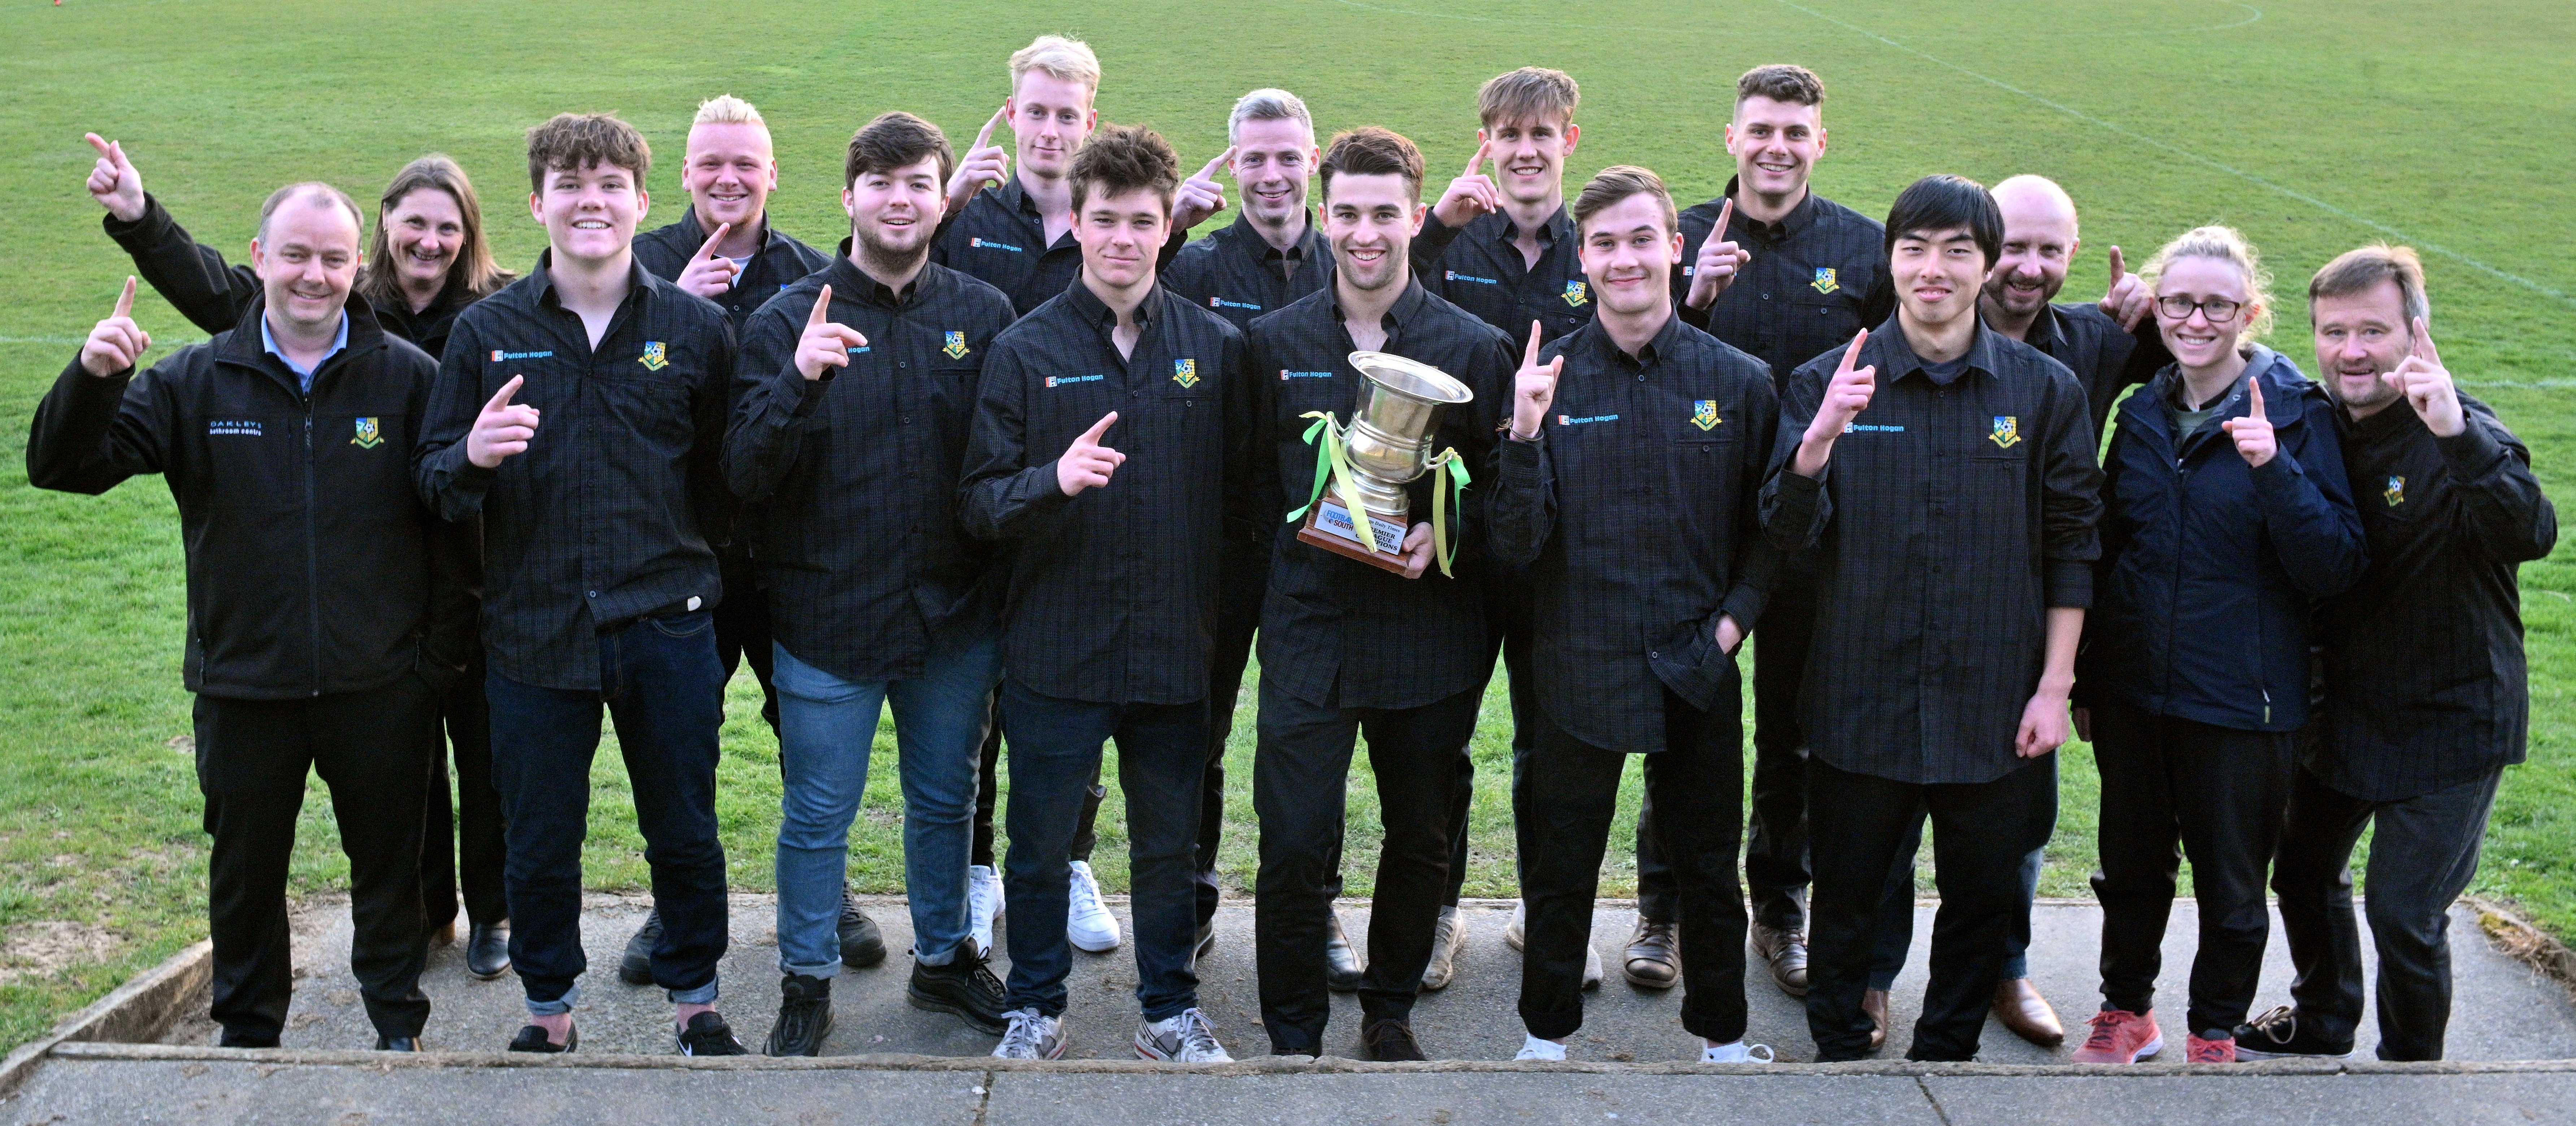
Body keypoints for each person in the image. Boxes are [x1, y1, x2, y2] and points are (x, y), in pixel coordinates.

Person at [29, 183, 473, 1051]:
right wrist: (91, 378)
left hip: (380, 686)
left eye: (334, 258)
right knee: (245, 876)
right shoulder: (195, 380)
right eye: (297, 255)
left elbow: (457, 530)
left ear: (358, 265)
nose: (315, 275)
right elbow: (62, 466)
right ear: (261, 258)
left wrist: (434, 665)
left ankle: (396, 1024)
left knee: (390, 872)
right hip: (242, 687)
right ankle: (249, 1036)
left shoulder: (410, 380)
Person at [416, 112, 746, 1056]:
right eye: (569, 184)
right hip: (534, 628)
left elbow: (725, 481)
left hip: (666, 625)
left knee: (682, 825)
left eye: (608, 184)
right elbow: (434, 483)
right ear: (537, 203)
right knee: (540, 836)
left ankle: (695, 996)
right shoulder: (487, 331)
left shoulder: (695, 329)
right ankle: (548, 1004)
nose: (589, 200)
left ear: (644, 201)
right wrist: (473, 458)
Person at [1764, 174, 2102, 1062]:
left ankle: (1948, 1051)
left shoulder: (2046, 391)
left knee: (1983, 895)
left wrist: (2055, 687)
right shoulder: (1826, 381)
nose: (1934, 269)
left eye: (1957, 250)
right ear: (1891, 259)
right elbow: (1783, 535)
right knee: (1847, 892)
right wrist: (1820, 439)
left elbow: (2074, 543)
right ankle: (1841, 1041)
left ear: (1986, 266)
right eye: (1915, 248)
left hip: (1995, 700)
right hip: (1858, 697)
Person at [960, 123, 1257, 1063]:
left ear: (1168, 223)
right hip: (1055, 649)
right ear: (1077, 224)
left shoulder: (1214, 348)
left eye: (1141, 220)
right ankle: (1035, 1004)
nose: (1122, 238)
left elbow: (1245, 503)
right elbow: (977, 501)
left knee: (1166, 847)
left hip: (1174, 650)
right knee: (1040, 843)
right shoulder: (1021, 348)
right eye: (1104, 220)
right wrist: (1051, 478)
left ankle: (1168, 1008)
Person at [726, 112, 1019, 1056]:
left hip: (951, 615)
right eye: (881, 183)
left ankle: (941, 957)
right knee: (819, 810)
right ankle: (805, 976)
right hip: (827, 612)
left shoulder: (981, 315)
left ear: (943, 198)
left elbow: (1001, 464)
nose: (899, 200)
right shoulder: (785, 319)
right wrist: (797, 383)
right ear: (848, 195)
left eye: (918, 184)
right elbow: (740, 473)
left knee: (945, 800)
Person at [1860, 173, 2167, 1048]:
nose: (2027, 269)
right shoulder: (1912, 331)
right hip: (1910, 604)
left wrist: (2150, 311)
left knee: (2013, 818)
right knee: (1888, 812)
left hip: (2032, 616)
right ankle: (1876, 976)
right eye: (2016, 247)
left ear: (2073, 255)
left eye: (2049, 250)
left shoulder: (2100, 344)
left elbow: (2204, 362)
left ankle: (2006, 966)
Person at [1489, 165, 1780, 1064]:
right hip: (1580, 660)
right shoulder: (1547, 377)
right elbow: (1513, 544)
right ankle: (1545, 1035)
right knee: (1562, 861)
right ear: (1584, 255)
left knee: (1706, 862)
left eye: (1641, 238)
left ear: (1674, 246)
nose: (1625, 258)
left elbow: (1772, 533)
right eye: (1606, 242)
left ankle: (1724, 1038)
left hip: (1698, 659)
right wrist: (1526, 433)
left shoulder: (1738, 379)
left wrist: (1729, 630)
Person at [2243, 246, 2556, 1062]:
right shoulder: (2313, 426)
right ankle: (2322, 1019)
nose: (2352, 350)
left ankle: (2410, 1062)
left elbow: (2532, 530)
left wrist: (2455, 431)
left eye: (2373, 330)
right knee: (2303, 874)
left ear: (2415, 333)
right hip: (2345, 710)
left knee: (2404, 913)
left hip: (2451, 718)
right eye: (2334, 330)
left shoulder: (2461, 427)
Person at [2068, 226, 2367, 1065]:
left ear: (2249, 312)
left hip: (2245, 696)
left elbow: (2335, 563)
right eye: (2179, 302)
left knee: (2232, 883)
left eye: (2217, 305)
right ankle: (2126, 1011)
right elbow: (2112, 548)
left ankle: (2213, 1026)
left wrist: (2275, 470)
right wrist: (2090, 677)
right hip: (2135, 690)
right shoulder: (2141, 414)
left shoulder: (2299, 413)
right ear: (2156, 309)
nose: (2197, 319)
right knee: (2129, 869)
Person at [1243, 126, 1510, 1060]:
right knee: (1292, 842)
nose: (1365, 232)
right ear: (1323, 217)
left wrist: (1448, 531)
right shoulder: (1269, 344)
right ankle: (1292, 1030)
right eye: (1347, 213)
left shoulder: (1474, 348)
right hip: (1309, 632)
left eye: (1383, 213)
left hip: (1425, 633)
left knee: (1419, 836)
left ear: (1414, 214)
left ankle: (1389, 1008)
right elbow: (1243, 494)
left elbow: (1503, 489)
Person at [619, 92, 867, 993]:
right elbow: (601, 400)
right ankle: (673, 904)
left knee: (809, 729)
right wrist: (667, 310)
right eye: (709, 163)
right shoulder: (634, 266)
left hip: (786, 550)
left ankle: (827, 890)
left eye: (745, 163)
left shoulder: (813, 274)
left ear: (773, 175)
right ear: (682, 176)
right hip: (677, 551)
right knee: (678, 741)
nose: (728, 178)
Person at [1662, 64, 1894, 1000]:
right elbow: (1638, 352)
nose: (1775, 147)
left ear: (1818, 144)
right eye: (1759, 130)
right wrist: (1692, 298)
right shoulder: (1679, 235)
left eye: (1794, 133)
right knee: (1682, 709)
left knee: (1793, 731)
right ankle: (1663, 902)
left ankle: (1778, 903)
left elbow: (1896, 374)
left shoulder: (1860, 246)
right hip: (1699, 531)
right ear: (1730, 138)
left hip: (1810, 534)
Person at [938, 34, 1124, 956]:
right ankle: (977, 868)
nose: (1049, 130)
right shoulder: (966, 218)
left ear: (1091, 120)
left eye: (1067, 115)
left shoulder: (1111, 223)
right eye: (1034, 112)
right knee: (980, 705)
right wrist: (940, 209)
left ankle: (1075, 859)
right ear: (1011, 116)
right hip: (981, 505)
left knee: (1075, 700)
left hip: (1084, 507)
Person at [1412, 65, 1595, 988]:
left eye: (1542, 134)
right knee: (1442, 735)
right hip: (1453, 528)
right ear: (1486, 142)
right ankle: (1439, 909)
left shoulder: (1594, 246)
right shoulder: (1445, 241)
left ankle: (1542, 903)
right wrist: (1435, 227)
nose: (1526, 152)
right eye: (1507, 136)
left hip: (1563, 536)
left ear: (1569, 139)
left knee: (1551, 736)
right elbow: (1374, 301)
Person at [1162, 87, 1335, 978]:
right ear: (1232, 164)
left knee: (1314, 738)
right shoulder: (1194, 268)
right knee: (1202, 733)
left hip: (1326, 551)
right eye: (1253, 158)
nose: (1272, 174)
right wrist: (1169, 235)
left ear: (1314, 158)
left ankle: (1319, 908)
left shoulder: (1352, 254)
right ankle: (1192, 902)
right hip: (1220, 550)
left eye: (1287, 155)